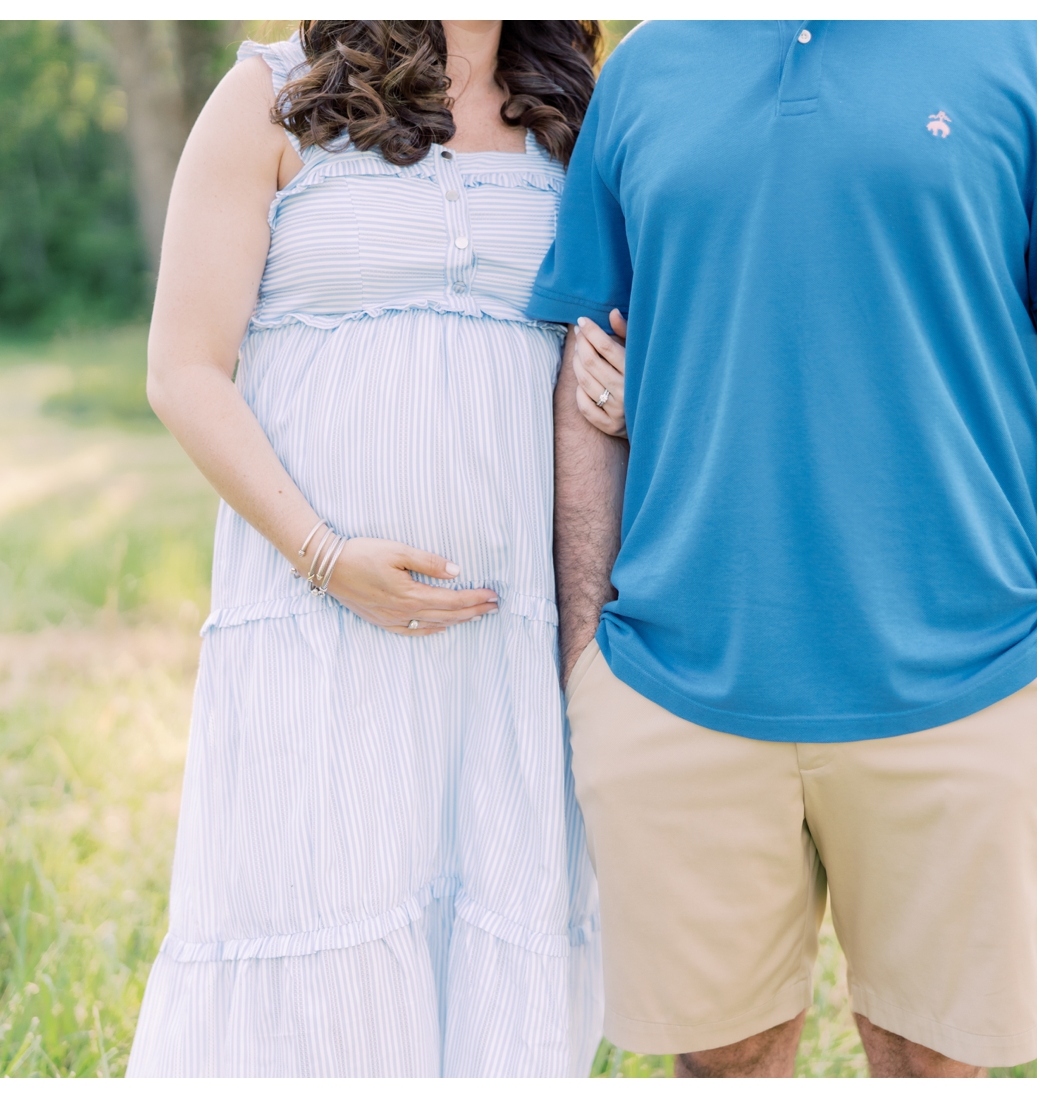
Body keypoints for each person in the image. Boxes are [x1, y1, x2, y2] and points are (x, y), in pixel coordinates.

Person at [533, 20, 1037, 1078]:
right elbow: (583, 373)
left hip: (972, 684)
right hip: (669, 684)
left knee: (932, 1063)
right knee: (723, 1062)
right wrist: (586, 659)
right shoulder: (642, 66)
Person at [127, 20, 613, 1077]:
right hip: (310, 610)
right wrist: (322, 552)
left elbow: (623, 333)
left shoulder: (582, 114)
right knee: (320, 902)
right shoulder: (270, 94)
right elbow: (183, 369)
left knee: (495, 907)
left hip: (512, 627)